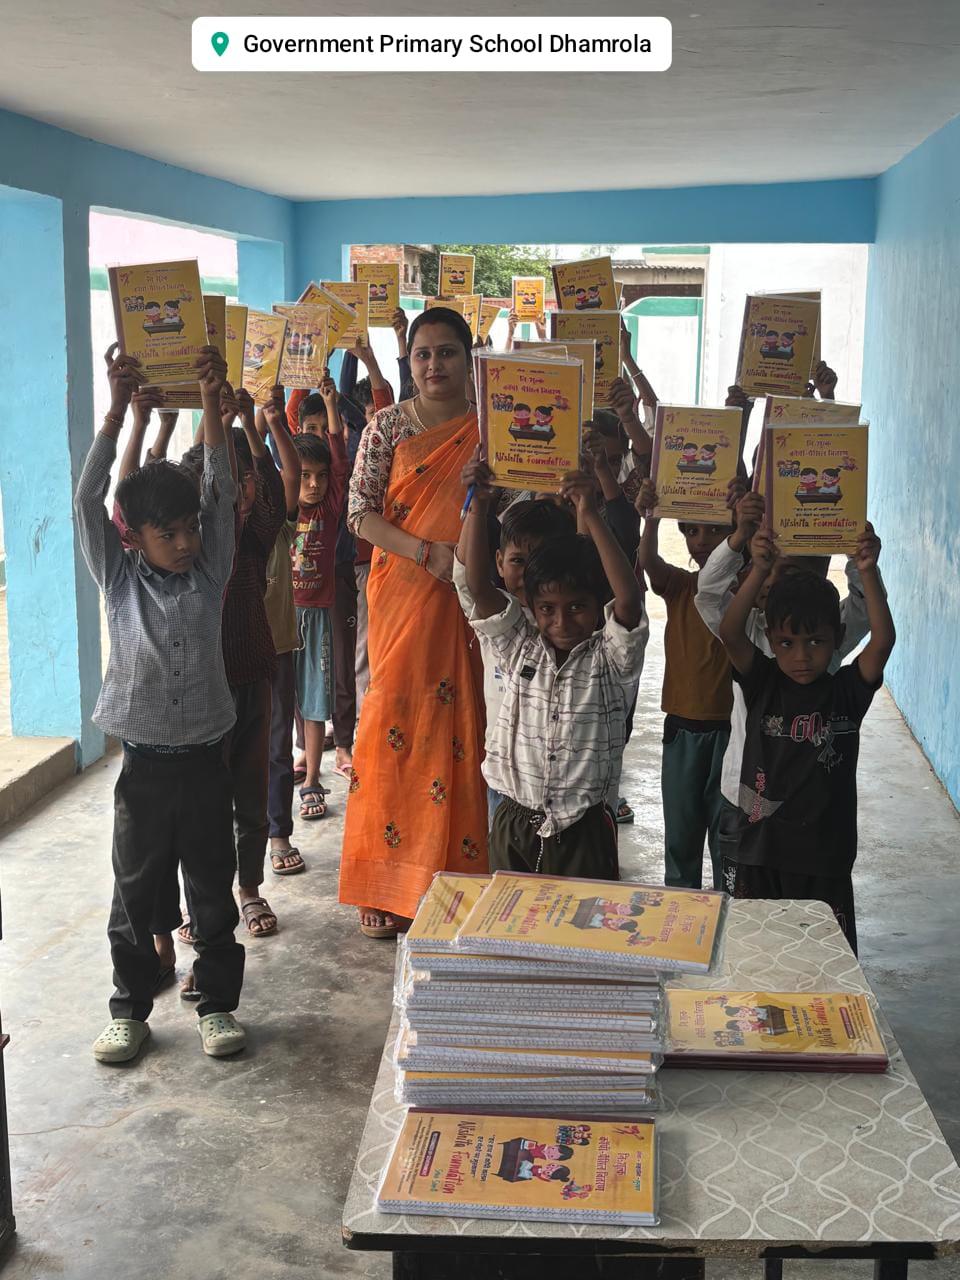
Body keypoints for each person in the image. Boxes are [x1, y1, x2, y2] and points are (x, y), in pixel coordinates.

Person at [74, 345, 246, 1062]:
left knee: (212, 892)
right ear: (134, 537)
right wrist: (116, 413)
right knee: (134, 895)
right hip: (143, 769)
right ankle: (129, 1009)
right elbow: (86, 500)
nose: (184, 542)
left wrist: (209, 403)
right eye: (167, 533)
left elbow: (220, 498)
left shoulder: (210, 573)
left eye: (189, 529)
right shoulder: (118, 580)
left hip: (205, 762)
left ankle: (217, 1006)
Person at [339, 308, 489, 938]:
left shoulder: (492, 427)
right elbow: (358, 512)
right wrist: (427, 553)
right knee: (392, 723)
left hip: (472, 598)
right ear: (410, 361)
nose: (434, 365)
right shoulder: (387, 426)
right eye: (423, 354)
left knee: (462, 726)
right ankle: (385, 882)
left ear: (469, 358)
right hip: (403, 594)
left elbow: (518, 506)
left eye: (447, 352)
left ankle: (455, 877)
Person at [460, 463, 648, 878]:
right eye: (547, 608)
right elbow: (478, 587)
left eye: (577, 606)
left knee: (584, 917)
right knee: (510, 915)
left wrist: (589, 512)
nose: (561, 622)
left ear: (597, 604)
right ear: (531, 605)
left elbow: (628, 599)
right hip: (514, 818)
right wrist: (478, 507)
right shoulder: (519, 646)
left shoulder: (611, 658)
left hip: (584, 827)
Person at [716, 523, 895, 953]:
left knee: (824, 964)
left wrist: (867, 570)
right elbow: (730, 632)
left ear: (838, 638)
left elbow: (883, 640)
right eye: (787, 643)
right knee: (755, 958)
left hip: (824, 859)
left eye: (816, 641)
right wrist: (759, 569)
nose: (801, 656)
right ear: (771, 640)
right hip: (758, 853)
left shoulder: (846, 693)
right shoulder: (761, 682)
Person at [695, 489, 882, 869]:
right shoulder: (749, 631)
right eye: (772, 568)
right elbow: (709, 597)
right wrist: (741, 540)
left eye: (792, 570)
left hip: (813, 809)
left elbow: (866, 612)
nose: (800, 655)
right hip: (746, 797)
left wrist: (858, 557)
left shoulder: (826, 633)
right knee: (744, 900)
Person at [635, 477, 735, 889]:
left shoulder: (749, 592)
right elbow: (647, 561)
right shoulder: (680, 586)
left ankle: (732, 908)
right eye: (692, 531)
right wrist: (651, 518)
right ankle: (682, 908)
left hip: (732, 733)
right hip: (682, 731)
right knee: (681, 836)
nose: (702, 540)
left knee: (728, 838)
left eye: (714, 530)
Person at [454, 494, 575, 830]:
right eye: (518, 561)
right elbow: (468, 580)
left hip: (568, 787)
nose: (529, 574)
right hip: (507, 785)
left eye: (541, 560)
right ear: (499, 562)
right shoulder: (498, 618)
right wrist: (477, 508)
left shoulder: (575, 625)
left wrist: (586, 510)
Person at [290, 371, 349, 820]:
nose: (313, 484)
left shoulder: (329, 510)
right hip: (280, 617)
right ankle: (286, 765)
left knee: (313, 702)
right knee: (284, 703)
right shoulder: (282, 510)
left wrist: (330, 405)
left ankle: (312, 777)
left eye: (320, 476)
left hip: (317, 617)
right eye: (304, 476)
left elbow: (340, 462)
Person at [257, 386, 306, 878]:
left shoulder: (275, 531)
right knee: (233, 754)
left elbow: (289, 474)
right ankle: (242, 839)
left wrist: (272, 422)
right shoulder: (214, 539)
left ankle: (278, 833)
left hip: (278, 650)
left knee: (276, 747)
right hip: (229, 659)